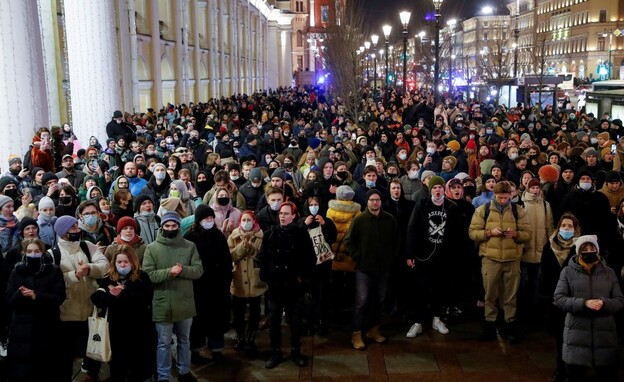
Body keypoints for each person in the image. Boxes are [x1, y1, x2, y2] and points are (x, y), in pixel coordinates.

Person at [142, 212, 203, 382]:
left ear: (178, 226)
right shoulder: (152, 248)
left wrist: (183, 270)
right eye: (167, 226)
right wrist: (169, 272)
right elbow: (148, 275)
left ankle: (184, 371)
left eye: (173, 226)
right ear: (162, 227)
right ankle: (163, 376)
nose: (170, 228)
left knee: (184, 340)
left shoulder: (189, 246)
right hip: (162, 303)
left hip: (184, 301)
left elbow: (198, 270)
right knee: (163, 343)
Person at [554, 235, 624, 382]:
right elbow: (559, 299)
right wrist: (583, 303)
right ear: (579, 252)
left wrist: (604, 303)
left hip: (604, 337)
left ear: (597, 250)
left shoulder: (609, 273)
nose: (589, 251)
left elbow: (619, 301)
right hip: (576, 336)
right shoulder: (567, 272)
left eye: (592, 248)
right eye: (585, 249)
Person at [469, 181, 531, 344]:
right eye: (499, 197)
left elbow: (528, 234)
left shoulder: (518, 211)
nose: (502, 200)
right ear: (494, 196)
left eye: (505, 197)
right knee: (490, 293)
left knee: (510, 295)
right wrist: (489, 232)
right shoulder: (484, 210)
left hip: (512, 259)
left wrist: (516, 234)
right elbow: (473, 233)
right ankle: (489, 324)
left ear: (511, 195)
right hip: (490, 258)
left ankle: (509, 323)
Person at [51, 215, 109, 382]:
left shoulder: (87, 246)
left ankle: (91, 375)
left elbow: (104, 265)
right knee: (66, 354)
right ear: (63, 232)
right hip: (67, 312)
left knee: (93, 349)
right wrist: (74, 275)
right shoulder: (53, 254)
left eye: (77, 226)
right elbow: (53, 280)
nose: (77, 230)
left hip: (91, 309)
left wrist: (90, 269)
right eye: (73, 228)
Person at [260, 201, 316, 369]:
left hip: (294, 285)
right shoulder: (271, 234)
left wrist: (301, 278)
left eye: (286, 213)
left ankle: (295, 351)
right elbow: (264, 258)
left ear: (293, 216)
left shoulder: (301, 234)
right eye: (281, 214)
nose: (282, 216)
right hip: (276, 285)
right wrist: (267, 277)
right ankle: (276, 351)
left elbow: (309, 258)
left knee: (295, 321)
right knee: (275, 321)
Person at [405, 176, 460, 337]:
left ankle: (437, 319)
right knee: (420, 289)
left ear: (444, 189)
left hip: (443, 257)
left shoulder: (452, 207)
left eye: (440, 188)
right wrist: (410, 254)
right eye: (434, 188)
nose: (437, 191)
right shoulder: (421, 205)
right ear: (430, 190)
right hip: (423, 256)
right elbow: (412, 230)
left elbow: (457, 235)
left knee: (440, 289)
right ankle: (418, 322)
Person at [91, 245, 156, 382]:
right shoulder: (109, 278)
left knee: (138, 367)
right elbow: (97, 298)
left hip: (139, 329)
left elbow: (145, 298)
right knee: (118, 367)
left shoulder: (142, 277)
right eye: (119, 262)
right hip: (117, 330)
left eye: (126, 262)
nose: (122, 265)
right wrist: (112, 296)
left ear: (133, 262)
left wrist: (122, 293)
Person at [344, 189, 399, 350]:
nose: (375, 202)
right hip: (364, 268)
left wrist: (391, 258)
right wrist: (358, 256)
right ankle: (357, 333)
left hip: (383, 268)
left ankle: (374, 329)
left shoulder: (389, 220)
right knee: (361, 301)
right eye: (372, 200)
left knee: (380, 299)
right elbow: (348, 241)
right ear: (367, 202)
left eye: (377, 200)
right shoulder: (360, 220)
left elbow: (396, 241)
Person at [5, 238, 65, 382]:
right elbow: (9, 301)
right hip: (21, 331)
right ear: (24, 252)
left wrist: (36, 296)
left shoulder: (53, 271)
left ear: (42, 252)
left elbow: (59, 297)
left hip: (47, 327)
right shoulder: (17, 272)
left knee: (45, 369)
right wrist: (20, 294)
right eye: (30, 251)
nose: (33, 254)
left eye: (37, 251)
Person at [183, 205, 232, 364]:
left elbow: (226, 260)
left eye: (211, 218)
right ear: (198, 220)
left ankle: (216, 349)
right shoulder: (190, 237)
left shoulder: (218, 236)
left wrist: (226, 281)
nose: (210, 221)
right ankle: (196, 351)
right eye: (206, 219)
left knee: (216, 319)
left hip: (217, 286)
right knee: (197, 322)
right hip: (197, 286)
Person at [539, 213, 581, 382]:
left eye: (570, 226)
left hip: (574, 300)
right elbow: (544, 275)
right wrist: (548, 297)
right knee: (559, 338)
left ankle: (574, 370)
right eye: (563, 226)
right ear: (558, 227)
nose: (566, 229)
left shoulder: (580, 248)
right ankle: (560, 369)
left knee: (575, 338)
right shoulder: (549, 247)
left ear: (576, 229)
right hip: (555, 300)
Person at [298, 196, 337, 335]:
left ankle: (323, 324)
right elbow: (297, 240)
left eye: (316, 204)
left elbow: (332, 238)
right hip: (308, 267)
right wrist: (304, 224)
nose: (313, 207)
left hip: (324, 266)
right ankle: (309, 324)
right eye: (311, 204)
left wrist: (324, 224)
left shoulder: (327, 221)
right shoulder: (301, 222)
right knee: (309, 298)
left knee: (323, 297)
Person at [228, 210, 266, 352]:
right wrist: (242, 247)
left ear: (254, 221)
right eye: (244, 220)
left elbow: (261, 256)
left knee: (255, 311)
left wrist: (250, 248)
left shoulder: (261, 237)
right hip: (238, 279)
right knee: (238, 311)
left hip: (255, 279)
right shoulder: (234, 236)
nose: (246, 223)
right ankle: (240, 336)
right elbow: (230, 256)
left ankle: (251, 336)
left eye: (249, 220)